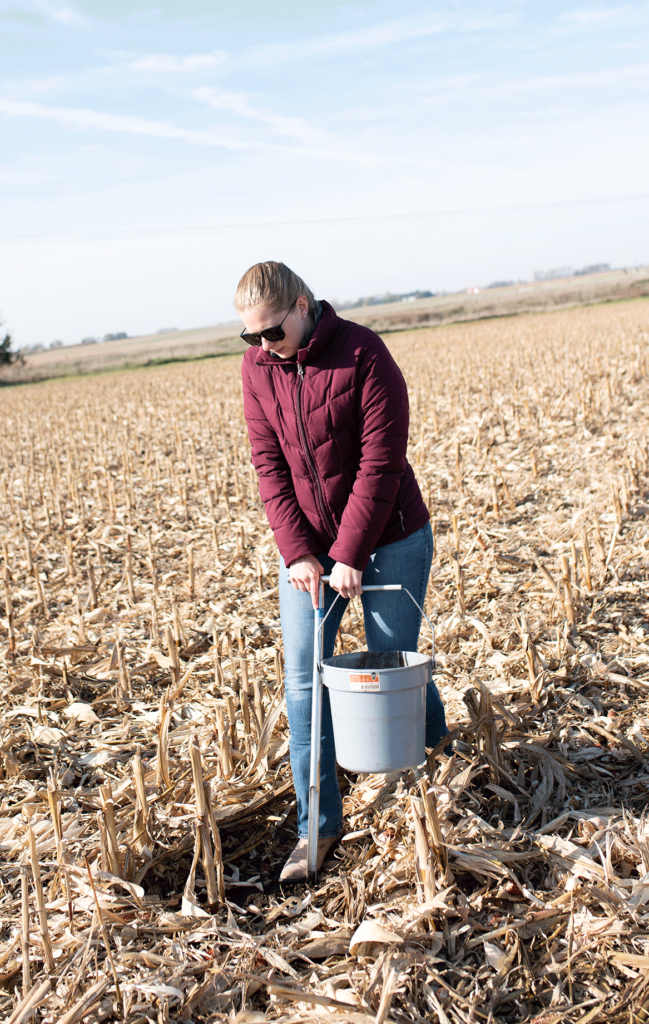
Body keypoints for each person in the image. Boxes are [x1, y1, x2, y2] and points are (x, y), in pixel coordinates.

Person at [237, 261, 448, 881]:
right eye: (249, 336)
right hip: (306, 548)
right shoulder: (256, 372)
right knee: (304, 683)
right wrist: (299, 553)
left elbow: (381, 465)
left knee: (389, 662)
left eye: (271, 331)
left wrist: (351, 553)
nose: (262, 346)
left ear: (303, 305)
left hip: (393, 534)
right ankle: (316, 828)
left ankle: (432, 758)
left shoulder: (364, 354)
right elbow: (268, 467)